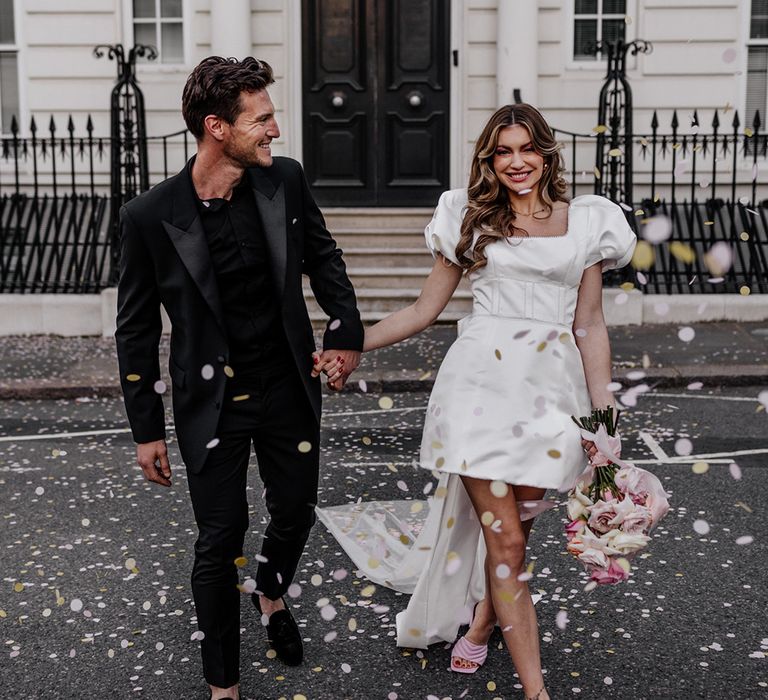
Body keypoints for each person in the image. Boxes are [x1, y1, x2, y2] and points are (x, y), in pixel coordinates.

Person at [314, 103, 636, 699]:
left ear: (546, 152)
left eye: (526, 149)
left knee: (520, 529)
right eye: (502, 152)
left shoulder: (589, 222)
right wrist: (349, 345)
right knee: (507, 540)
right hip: (478, 398)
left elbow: (589, 326)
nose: (516, 163)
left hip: (551, 402)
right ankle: (536, 691)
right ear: (489, 159)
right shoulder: (467, 216)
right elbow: (422, 310)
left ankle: (487, 618)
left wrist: (604, 418)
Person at [115, 57, 363, 700]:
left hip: (288, 386)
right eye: (263, 119)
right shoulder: (149, 216)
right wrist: (147, 429)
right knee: (218, 539)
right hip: (212, 404)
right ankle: (222, 683)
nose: (275, 130)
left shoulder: (284, 182)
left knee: (296, 513)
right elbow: (136, 329)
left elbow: (323, 256)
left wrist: (345, 330)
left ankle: (272, 593)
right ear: (217, 127)